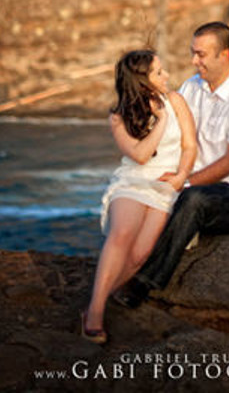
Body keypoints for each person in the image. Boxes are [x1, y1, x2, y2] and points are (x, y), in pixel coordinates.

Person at [115, 21, 229, 308]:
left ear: (224, 55)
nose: (193, 61)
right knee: (135, 194)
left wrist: (185, 180)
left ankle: (144, 284)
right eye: (193, 53)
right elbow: (171, 131)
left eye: (201, 55)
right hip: (190, 184)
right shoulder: (191, 87)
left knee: (193, 198)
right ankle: (118, 268)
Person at [80, 49, 196, 343]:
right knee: (123, 233)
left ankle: (106, 293)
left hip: (167, 186)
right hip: (133, 181)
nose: (167, 76)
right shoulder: (118, 117)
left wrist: (182, 175)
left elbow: (190, 145)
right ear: (141, 81)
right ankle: (94, 312)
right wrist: (159, 122)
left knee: (141, 254)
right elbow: (141, 156)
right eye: (159, 72)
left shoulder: (177, 101)